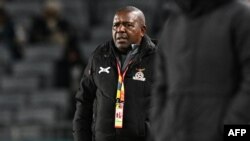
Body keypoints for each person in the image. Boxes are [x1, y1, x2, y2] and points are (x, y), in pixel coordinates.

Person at [150, 0, 250, 141]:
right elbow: (161, 84)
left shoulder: (240, 17)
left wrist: (231, 128)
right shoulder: (173, 23)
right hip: (172, 135)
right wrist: (159, 128)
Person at [73, 6, 157, 141]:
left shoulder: (157, 58)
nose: (120, 29)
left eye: (128, 25)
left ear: (142, 30)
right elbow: (84, 102)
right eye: (116, 25)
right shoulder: (99, 56)